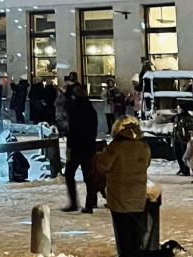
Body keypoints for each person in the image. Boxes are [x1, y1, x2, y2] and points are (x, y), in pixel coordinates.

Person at [97, 116, 151, 257]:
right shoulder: (143, 146)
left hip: (119, 197)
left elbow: (102, 166)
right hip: (138, 197)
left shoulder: (116, 146)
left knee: (123, 235)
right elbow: (146, 164)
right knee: (136, 236)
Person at [63, 84, 98, 213]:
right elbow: (93, 132)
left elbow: (72, 132)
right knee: (89, 177)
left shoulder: (74, 110)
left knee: (69, 174)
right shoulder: (91, 110)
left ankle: (74, 203)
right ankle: (89, 204)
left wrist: (69, 148)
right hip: (89, 148)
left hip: (77, 148)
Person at [171, 102, 193, 176]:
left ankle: (186, 169)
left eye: (179, 108)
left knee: (184, 154)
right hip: (176, 138)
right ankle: (181, 167)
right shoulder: (176, 117)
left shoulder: (187, 118)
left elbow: (189, 128)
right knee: (177, 153)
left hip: (184, 139)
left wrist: (186, 137)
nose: (177, 110)